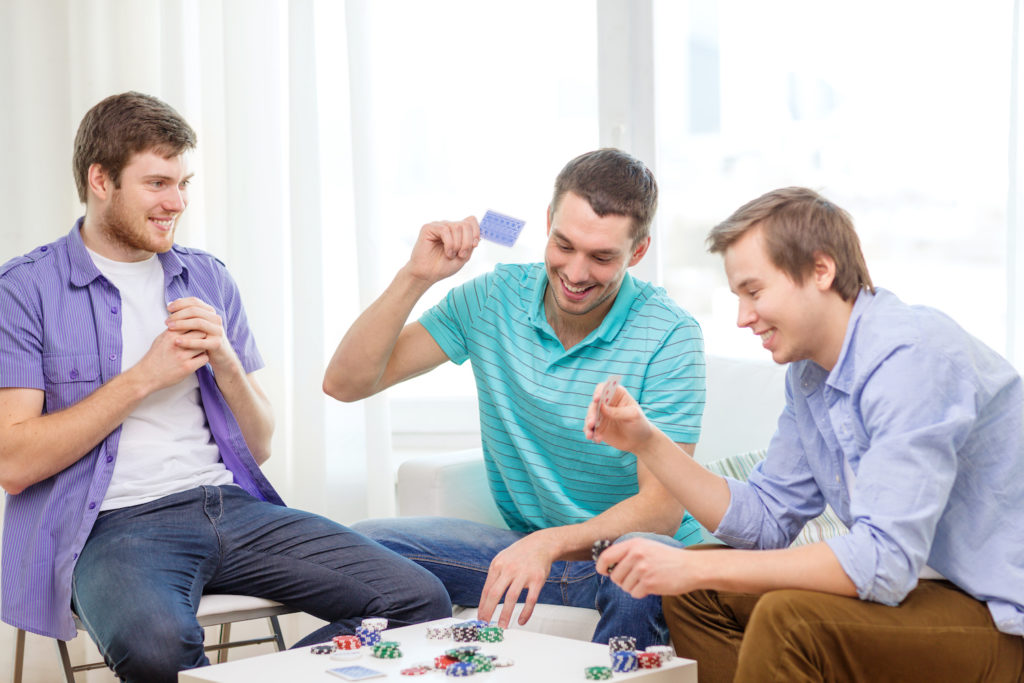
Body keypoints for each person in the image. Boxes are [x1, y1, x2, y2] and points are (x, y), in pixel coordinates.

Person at [0, 91, 450, 683]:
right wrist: (143, 378)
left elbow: (258, 445)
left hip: (227, 506)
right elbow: (14, 462)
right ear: (100, 180)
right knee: (156, 646)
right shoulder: (24, 290)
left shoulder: (205, 275)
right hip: (112, 525)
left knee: (418, 601)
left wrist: (226, 361)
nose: (177, 202)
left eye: (183, 183)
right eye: (159, 183)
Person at [587, 186, 1024, 682]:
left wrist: (695, 567)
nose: (742, 317)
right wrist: (647, 441)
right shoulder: (810, 375)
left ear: (821, 270)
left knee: (782, 618)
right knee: (694, 594)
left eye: (754, 292)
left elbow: (884, 561)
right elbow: (766, 520)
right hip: (921, 592)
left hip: (998, 613)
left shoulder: (911, 358)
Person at [322, 148, 707, 648]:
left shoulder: (670, 335)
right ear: (548, 223)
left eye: (602, 256)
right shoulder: (492, 299)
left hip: (626, 560)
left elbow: (660, 512)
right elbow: (346, 383)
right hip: (528, 552)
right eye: (564, 245)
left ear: (637, 253)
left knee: (639, 555)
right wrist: (416, 276)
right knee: (358, 544)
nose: (575, 271)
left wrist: (547, 544)